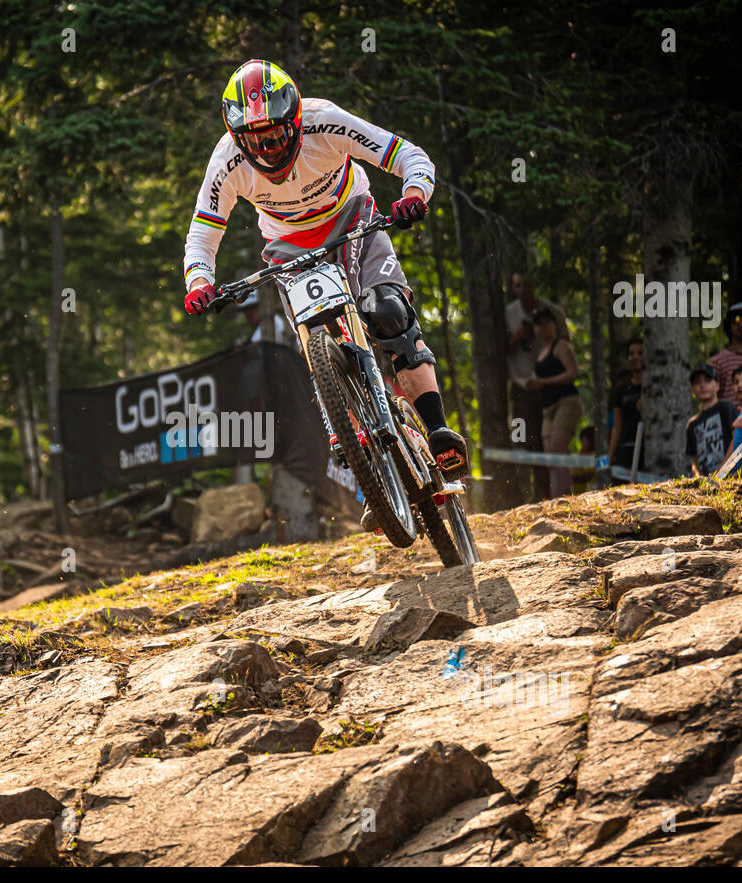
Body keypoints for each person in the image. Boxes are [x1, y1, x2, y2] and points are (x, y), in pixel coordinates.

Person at [180, 60, 467, 532]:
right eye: (255, 141)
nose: (267, 149)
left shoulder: (325, 121)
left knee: (388, 312)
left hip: (353, 217)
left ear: (295, 122)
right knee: (318, 347)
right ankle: (370, 466)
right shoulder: (226, 161)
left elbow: (407, 154)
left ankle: (437, 431)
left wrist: (415, 192)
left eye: (274, 136)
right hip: (289, 244)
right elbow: (201, 235)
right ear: (237, 138)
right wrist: (198, 282)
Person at [506, 273, 562, 500]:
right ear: (514, 289)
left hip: (548, 390)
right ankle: (524, 495)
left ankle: (550, 495)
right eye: (518, 286)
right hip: (520, 390)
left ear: (534, 285)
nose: (523, 290)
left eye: (527, 284)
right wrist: (517, 337)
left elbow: (564, 344)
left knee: (546, 442)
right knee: (520, 440)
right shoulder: (509, 313)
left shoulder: (553, 312)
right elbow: (497, 351)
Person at [524, 304, 581, 499]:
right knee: (550, 456)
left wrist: (543, 382)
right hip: (547, 407)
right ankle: (557, 498)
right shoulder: (541, 353)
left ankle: (565, 498)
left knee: (557, 449)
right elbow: (533, 379)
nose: (542, 327)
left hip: (567, 402)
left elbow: (573, 373)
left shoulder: (562, 346)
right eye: (538, 324)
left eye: (546, 322)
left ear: (554, 324)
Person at [685, 363, 737, 477]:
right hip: (706, 483)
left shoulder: (726, 407)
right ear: (692, 389)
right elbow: (694, 460)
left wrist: (722, 471)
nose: (702, 385)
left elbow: (736, 440)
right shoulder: (692, 424)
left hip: (729, 475)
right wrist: (700, 478)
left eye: (707, 380)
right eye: (697, 382)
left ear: (717, 385)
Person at [606, 338, 644, 476]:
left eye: (640, 353)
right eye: (631, 353)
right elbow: (617, 426)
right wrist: (610, 454)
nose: (635, 357)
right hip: (626, 448)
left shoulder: (655, 388)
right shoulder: (620, 390)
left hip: (648, 449)